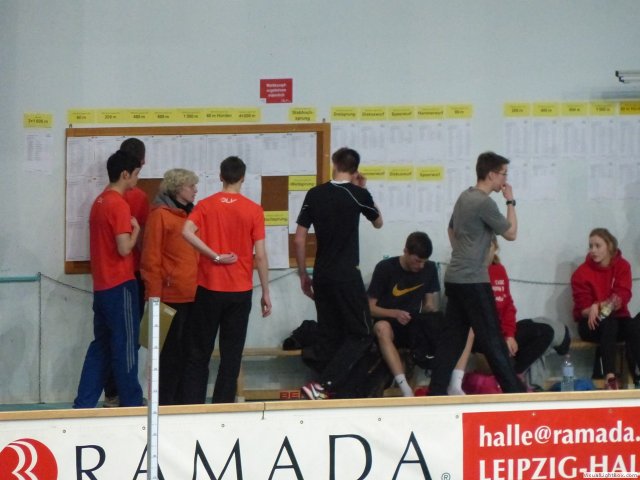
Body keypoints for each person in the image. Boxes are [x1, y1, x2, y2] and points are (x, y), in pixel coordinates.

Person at [429, 151, 526, 395]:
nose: (505, 179)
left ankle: (436, 392)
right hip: (473, 280)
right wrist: (511, 201)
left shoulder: (465, 196)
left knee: (452, 340)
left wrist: (463, 254)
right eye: (503, 174)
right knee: (493, 340)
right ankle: (515, 394)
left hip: (455, 277)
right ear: (491, 174)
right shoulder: (484, 202)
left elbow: (450, 229)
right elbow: (511, 233)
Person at [180, 156, 271, 404]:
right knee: (231, 356)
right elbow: (260, 256)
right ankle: (222, 409)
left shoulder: (206, 205)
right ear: (243, 178)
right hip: (239, 291)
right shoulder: (254, 210)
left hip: (209, 288)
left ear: (220, 176)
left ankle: (193, 406)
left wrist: (214, 256)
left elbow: (186, 231)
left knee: (199, 352)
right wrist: (265, 291)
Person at [295, 147, 383, 400]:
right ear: (356, 170)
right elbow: (378, 222)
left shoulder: (315, 193)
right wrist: (363, 188)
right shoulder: (358, 194)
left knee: (330, 334)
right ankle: (323, 385)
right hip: (346, 275)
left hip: (322, 275)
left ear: (333, 163)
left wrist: (303, 275)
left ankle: (328, 392)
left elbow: (299, 239)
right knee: (362, 333)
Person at [73, 150, 144, 408]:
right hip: (120, 284)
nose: (137, 179)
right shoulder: (119, 204)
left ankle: (83, 404)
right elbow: (124, 248)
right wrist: (136, 231)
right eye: (136, 174)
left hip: (102, 286)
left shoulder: (99, 201)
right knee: (126, 347)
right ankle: (132, 403)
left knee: (100, 346)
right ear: (125, 174)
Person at [447, 236, 556, 394]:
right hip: (480, 334)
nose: (484, 252)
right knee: (469, 328)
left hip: (500, 333)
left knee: (545, 331)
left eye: (488, 248)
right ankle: (456, 383)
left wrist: (509, 334)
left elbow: (508, 305)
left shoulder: (499, 270)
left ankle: (512, 376)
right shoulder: (470, 272)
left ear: (495, 248)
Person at [140, 168, 199, 405]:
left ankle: (183, 403)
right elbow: (150, 259)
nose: (195, 190)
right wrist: (154, 298)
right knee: (169, 356)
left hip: (193, 294)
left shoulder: (192, 216)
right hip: (169, 295)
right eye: (191, 186)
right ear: (177, 188)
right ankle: (164, 403)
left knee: (188, 354)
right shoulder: (160, 216)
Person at [367, 232, 441, 397]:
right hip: (388, 322)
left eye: (424, 261)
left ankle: (441, 382)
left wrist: (431, 317)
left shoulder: (429, 269)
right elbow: (370, 308)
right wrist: (394, 313)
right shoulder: (385, 268)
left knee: (442, 324)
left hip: (413, 324)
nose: (421, 266)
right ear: (406, 251)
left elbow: (429, 304)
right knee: (381, 328)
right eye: (417, 261)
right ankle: (404, 387)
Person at [104, 137, 149, 407]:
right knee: (129, 340)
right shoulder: (133, 198)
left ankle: (112, 393)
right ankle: (129, 396)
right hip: (128, 275)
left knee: (110, 339)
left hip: (107, 279)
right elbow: (136, 242)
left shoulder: (105, 195)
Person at [571, 228, 640, 390]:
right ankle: (610, 377)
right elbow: (582, 308)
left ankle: (637, 375)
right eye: (590, 246)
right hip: (590, 323)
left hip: (617, 318)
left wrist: (599, 305)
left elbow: (622, 296)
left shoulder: (622, 266)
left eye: (597, 246)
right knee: (609, 322)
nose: (593, 250)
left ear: (609, 246)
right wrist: (593, 308)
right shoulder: (581, 273)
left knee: (632, 325)